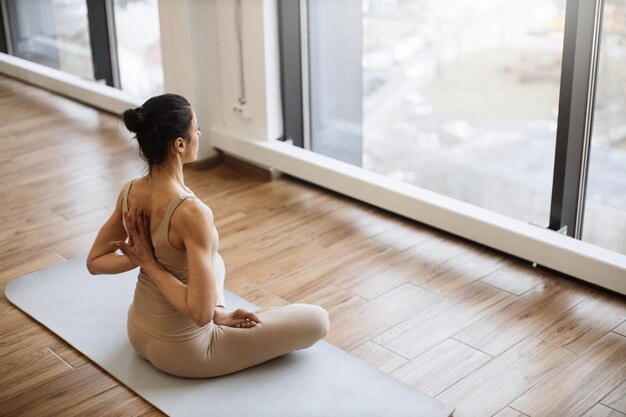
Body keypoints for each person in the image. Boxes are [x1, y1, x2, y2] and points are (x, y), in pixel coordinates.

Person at [86, 93, 329, 378]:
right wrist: (148, 262)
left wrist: (138, 258)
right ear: (179, 144)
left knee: (215, 261)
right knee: (318, 320)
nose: (199, 134)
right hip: (187, 352)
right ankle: (220, 315)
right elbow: (199, 315)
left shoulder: (129, 192)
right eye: (195, 129)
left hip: (137, 332)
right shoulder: (192, 213)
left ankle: (222, 313)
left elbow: (94, 261)